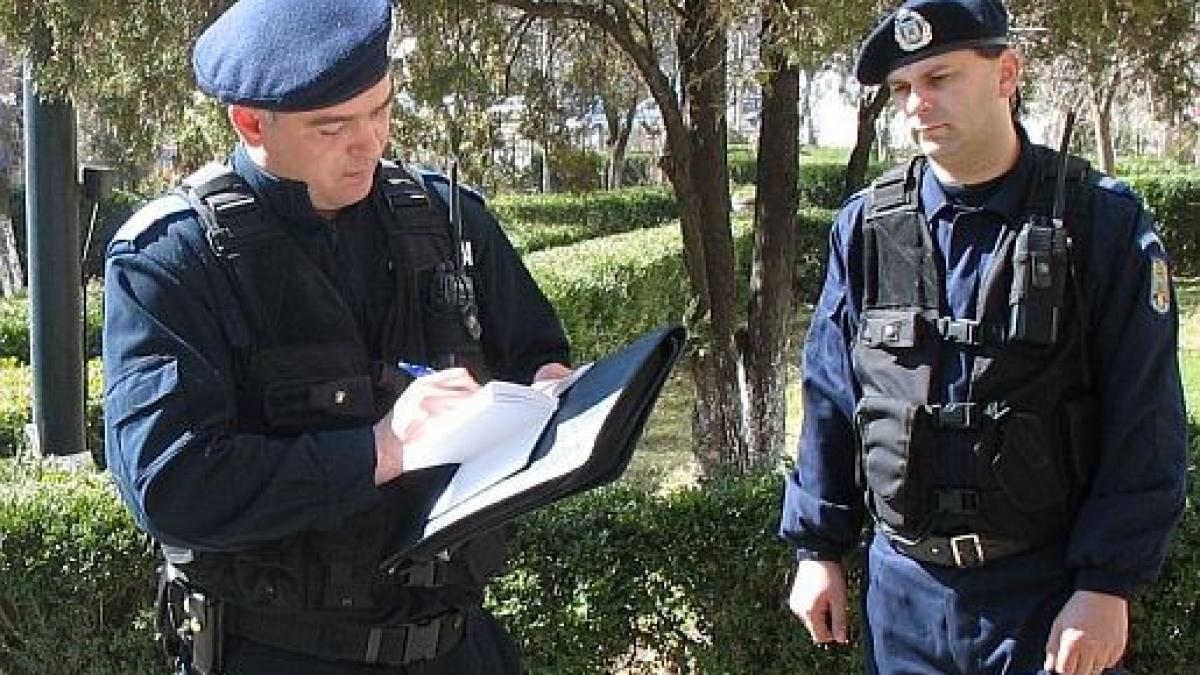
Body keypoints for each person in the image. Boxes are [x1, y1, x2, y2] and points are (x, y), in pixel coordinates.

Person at [102, 0, 571, 673]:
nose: (370, 144)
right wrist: (379, 450)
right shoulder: (174, 262)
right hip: (280, 652)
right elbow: (171, 486)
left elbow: (538, 354)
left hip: (456, 644)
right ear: (250, 121)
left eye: (381, 110)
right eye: (333, 127)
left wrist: (553, 392)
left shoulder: (447, 219)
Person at [779, 1, 1188, 674]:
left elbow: (1145, 416)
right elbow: (830, 394)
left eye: (939, 78)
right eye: (902, 88)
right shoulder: (867, 228)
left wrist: (1107, 583)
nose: (917, 104)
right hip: (903, 599)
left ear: (1006, 74)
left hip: (1046, 598)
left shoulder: (1100, 222)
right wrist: (817, 547)